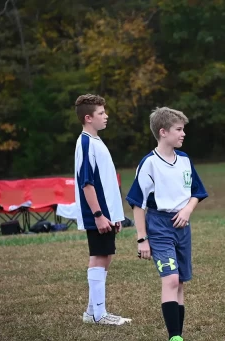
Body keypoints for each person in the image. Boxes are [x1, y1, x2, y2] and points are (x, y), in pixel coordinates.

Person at [126, 107, 208, 341]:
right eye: (179, 130)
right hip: (159, 226)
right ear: (163, 132)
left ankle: (178, 335)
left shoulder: (184, 160)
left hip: (182, 226)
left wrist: (187, 209)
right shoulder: (149, 164)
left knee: (180, 281)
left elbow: (197, 192)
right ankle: (174, 337)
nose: (183, 134)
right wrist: (142, 238)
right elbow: (137, 204)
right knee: (170, 279)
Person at [74, 94, 131, 325]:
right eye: (101, 113)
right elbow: (86, 183)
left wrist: (114, 215)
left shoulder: (96, 141)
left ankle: (92, 312)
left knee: (104, 256)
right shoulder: (85, 142)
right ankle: (99, 315)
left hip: (106, 215)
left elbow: (105, 182)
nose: (105, 116)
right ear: (88, 118)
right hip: (97, 215)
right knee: (99, 257)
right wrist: (98, 215)